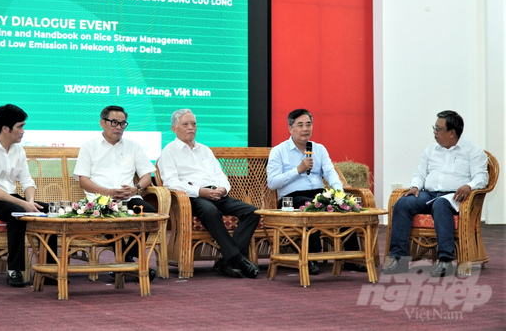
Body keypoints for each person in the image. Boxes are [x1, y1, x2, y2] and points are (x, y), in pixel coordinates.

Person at [383, 110, 488, 277]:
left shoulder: (473, 152)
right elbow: (420, 173)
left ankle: (445, 260)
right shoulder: (430, 150)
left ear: (452, 133)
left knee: (441, 204)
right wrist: (415, 186)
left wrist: (469, 185)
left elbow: (482, 178)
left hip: (454, 197)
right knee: (403, 203)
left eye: (438, 129)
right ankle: (399, 259)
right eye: (435, 128)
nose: (434, 132)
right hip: (429, 194)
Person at [158, 109, 261, 278]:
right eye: (185, 124)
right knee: (210, 211)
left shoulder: (204, 149)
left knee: (252, 212)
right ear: (174, 128)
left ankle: (225, 262)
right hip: (193, 197)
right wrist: (200, 191)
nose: (191, 128)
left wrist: (222, 189)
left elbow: (220, 174)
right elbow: (170, 182)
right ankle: (238, 259)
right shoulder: (169, 151)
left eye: (194, 124)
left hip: (216, 194)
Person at [267, 108, 364, 275]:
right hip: (290, 199)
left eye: (308, 125)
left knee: (343, 205)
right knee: (311, 205)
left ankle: (351, 259)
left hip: (318, 193)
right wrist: (298, 169)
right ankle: (311, 258)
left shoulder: (319, 149)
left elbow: (330, 172)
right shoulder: (279, 151)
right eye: (300, 125)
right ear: (290, 128)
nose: (305, 129)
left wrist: (339, 193)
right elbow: (272, 183)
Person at [0, 104, 54, 288]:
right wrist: (23, 206)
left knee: (48, 211)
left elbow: (27, 181)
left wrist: (30, 202)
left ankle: (50, 270)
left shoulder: (18, 149)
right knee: (17, 213)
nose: (23, 131)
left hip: (9, 198)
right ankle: (15, 270)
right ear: (6, 129)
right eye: (20, 126)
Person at [73, 105, 157, 281]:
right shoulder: (89, 146)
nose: (119, 127)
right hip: (101, 200)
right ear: (102, 123)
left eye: (123, 123)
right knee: (108, 215)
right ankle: (129, 262)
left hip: (129, 199)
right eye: (114, 123)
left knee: (147, 213)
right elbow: (83, 181)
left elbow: (146, 175)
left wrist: (136, 189)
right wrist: (107, 192)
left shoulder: (133, 146)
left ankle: (126, 258)